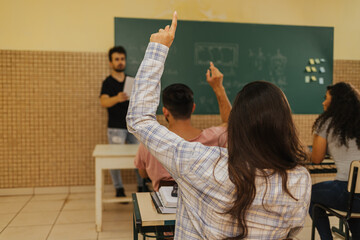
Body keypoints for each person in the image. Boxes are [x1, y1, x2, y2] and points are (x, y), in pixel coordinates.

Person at [127, 12, 311, 239]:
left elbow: (139, 120)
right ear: (286, 126)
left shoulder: (202, 162)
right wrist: (218, 89)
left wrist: (157, 49)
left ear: (237, 127)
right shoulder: (299, 179)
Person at [134, 62, 231, 191]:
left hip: (164, 208)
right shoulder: (214, 138)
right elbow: (231, 124)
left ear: (165, 111)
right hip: (200, 207)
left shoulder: (150, 142)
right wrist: (218, 87)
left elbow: (143, 173)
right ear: (193, 108)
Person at [309, 82, 360, 240]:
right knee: (353, 205)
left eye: (326, 98)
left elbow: (316, 159)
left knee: (309, 194)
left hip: (346, 192)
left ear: (336, 102)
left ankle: (326, 238)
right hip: (356, 196)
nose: (323, 102)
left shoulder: (327, 122)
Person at [100, 46, 144, 197]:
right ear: (110, 62)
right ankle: (119, 189)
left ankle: (142, 185)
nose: (120, 62)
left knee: (139, 156)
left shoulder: (131, 81)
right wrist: (117, 98)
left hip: (132, 127)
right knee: (115, 159)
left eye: (122, 59)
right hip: (116, 128)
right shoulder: (108, 82)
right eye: (116, 59)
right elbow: (104, 102)